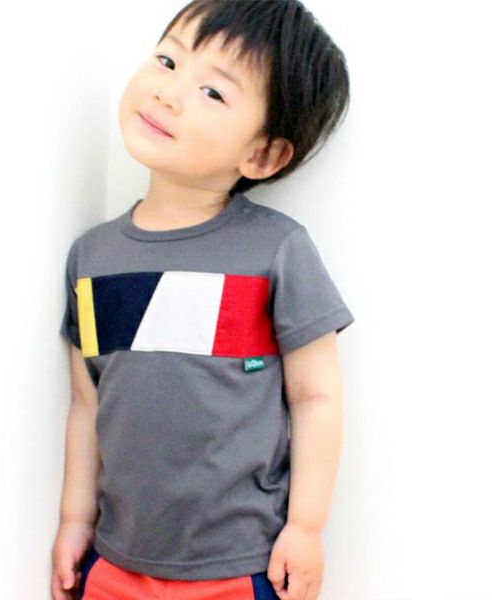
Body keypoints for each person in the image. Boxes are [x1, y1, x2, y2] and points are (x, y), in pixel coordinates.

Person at [51, 1, 355, 598]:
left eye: (213, 92)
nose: (168, 93)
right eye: (167, 61)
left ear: (262, 155)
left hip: (241, 567)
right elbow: (87, 405)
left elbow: (316, 397)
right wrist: (74, 521)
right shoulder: (91, 256)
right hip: (115, 561)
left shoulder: (276, 250)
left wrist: (306, 528)